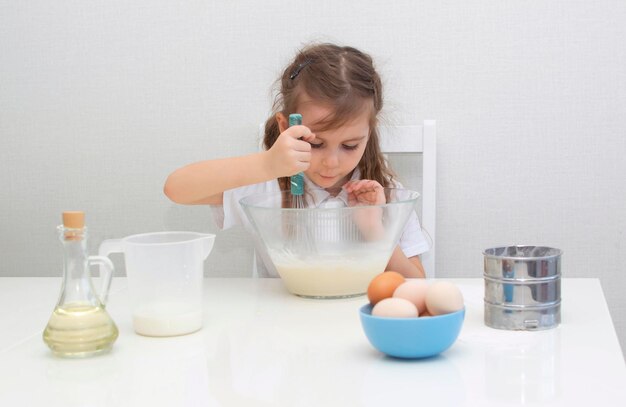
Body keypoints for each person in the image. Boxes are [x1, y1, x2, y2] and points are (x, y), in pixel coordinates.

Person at [164, 43, 429, 278]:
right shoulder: (269, 185)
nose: (332, 162)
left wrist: (375, 231)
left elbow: (416, 284)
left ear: (369, 132)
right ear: (285, 126)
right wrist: (267, 165)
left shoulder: (385, 194)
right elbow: (176, 188)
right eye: (315, 143)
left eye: (350, 145)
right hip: (282, 328)